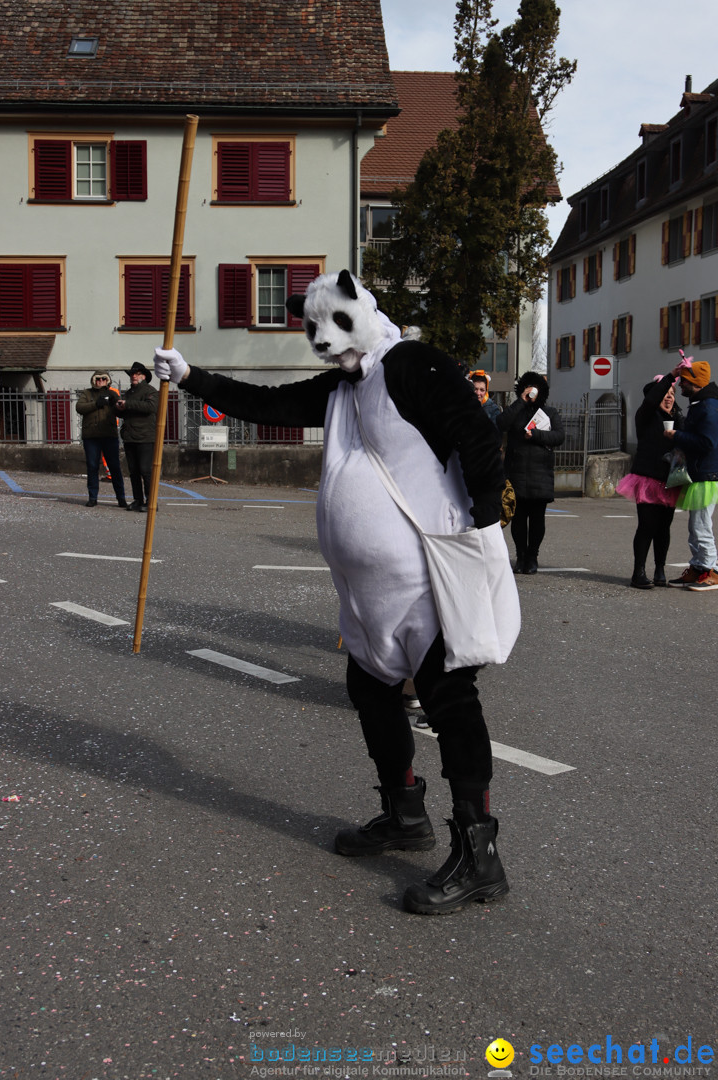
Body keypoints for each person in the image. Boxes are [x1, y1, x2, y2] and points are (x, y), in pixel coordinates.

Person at [154, 269, 519, 917]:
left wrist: (484, 520)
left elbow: (475, 431)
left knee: (449, 699)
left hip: (429, 577)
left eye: (334, 324)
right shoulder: (345, 385)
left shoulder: (410, 364)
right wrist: (190, 378)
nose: (322, 340)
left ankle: (480, 856)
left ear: (364, 310)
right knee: (370, 689)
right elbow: (270, 406)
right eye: (312, 328)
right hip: (369, 591)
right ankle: (404, 812)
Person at [615, 374, 683, 588]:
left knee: (664, 527)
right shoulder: (646, 415)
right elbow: (651, 400)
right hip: (648, 479)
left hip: (670, 481)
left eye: (672, 394)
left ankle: (660, 570)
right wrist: (670, 377)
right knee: (646, 526)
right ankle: (639, 572)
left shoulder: (679, 417)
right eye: (665, 394)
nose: (669, 398)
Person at [496, 372, 565, 574]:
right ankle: (521, 556)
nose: (532, 390)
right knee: (518, 519)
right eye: (528, 386)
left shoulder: (550, 413)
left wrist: (535, 435)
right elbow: (501, 423)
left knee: (537, 519)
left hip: (540, 473)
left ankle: (533, 556)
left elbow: (559, 436)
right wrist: (521, 402)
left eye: (536, 387)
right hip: (516, 472)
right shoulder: (516, 410)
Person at [664, 359, 718, 591]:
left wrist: (676, 436)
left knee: (701, 525)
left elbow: (707, 442)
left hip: (706, 474)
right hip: (701, 472)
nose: (681, 385)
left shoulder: (708, 407)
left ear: (695, 383)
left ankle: (710, 571)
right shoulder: (701, 404)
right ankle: (698, 568)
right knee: (695, 526)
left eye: (684, 381)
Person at [75, 370, 128, 508]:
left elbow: (120, 409)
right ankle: (93, 497)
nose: (100, 381)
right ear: (93, 380)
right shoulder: (87, 393)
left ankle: (121, 498)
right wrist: (96, 404)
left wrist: (116, 404)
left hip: (109, 435)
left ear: (107, 380)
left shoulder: (112, 393)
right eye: (97, 379)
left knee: (115, 467)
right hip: (91, 436)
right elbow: (79, 407)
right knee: (92, 467)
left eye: (103, 379)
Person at [116, 361, 159, 512]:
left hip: (145, 437)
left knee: (145, 470)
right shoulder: (129, 393)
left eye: (137, 374)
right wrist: (118, 408)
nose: (134, 376)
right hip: (130, 436)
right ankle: (138, 499)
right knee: (133, 471)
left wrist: (127, 404)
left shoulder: (150, 391)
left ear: (144, 376)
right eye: (132, 374)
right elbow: (126, 411)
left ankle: (151, 501)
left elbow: (151, 407)